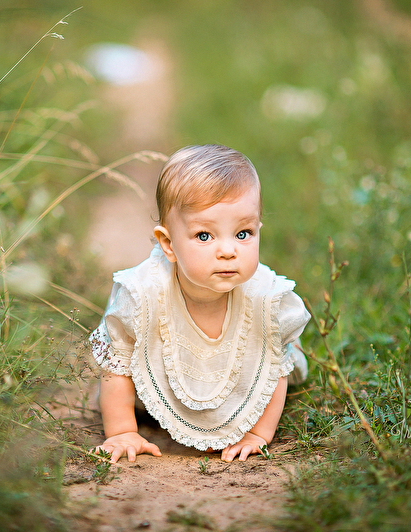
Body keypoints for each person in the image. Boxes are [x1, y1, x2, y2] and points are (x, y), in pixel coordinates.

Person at [89, 144, 310, 463]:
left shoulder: (265, 298)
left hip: (239, 370)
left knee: (273, 349)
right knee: (129, 370)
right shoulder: (143, 294)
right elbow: (117, 363)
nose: (228, 251)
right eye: (205, 236)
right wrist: (121, 430)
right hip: (160, 377)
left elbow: (272, 368)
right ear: (168, 244)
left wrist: (258, 433)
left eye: (243, 233)